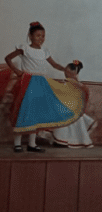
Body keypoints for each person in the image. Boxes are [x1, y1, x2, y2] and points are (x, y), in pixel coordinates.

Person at [2, 22, 74, 152]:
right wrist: (17, 71)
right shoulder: (24, 48)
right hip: (28, 82)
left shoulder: (44, 51)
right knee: (23, 111)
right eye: (38, 35)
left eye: (43, 36)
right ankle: (17, 143)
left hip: (41, 83)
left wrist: (65, 69)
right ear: (30, 36)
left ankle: (32, 144)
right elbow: (8, 58)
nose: (41, 38)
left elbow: (54, 64)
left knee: (36, 112)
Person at [49, 61, 96, 148]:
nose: (65, 73)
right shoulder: (67, 83)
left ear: (73, 73)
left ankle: (64, 140)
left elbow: (85, 96)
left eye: (67, 71)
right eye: (65, 71)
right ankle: (62, 140)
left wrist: (82, 109)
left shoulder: (77, 85)